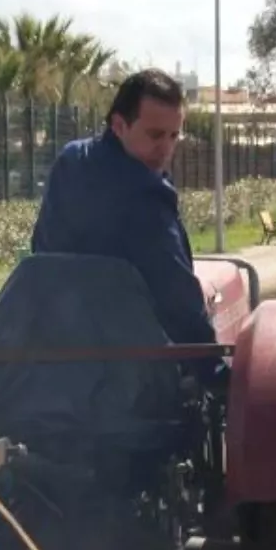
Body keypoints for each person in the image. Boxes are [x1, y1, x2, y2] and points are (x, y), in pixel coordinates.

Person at [30, 68, 216, 346]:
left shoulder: (71, 160)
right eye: (155, 135)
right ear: (119, 125)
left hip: (52, 338)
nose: (166, 148)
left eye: (174, 136)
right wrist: (212, 366)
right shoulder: (146, 196)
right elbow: (176, 294)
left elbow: (42, 247)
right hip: (125, 360)